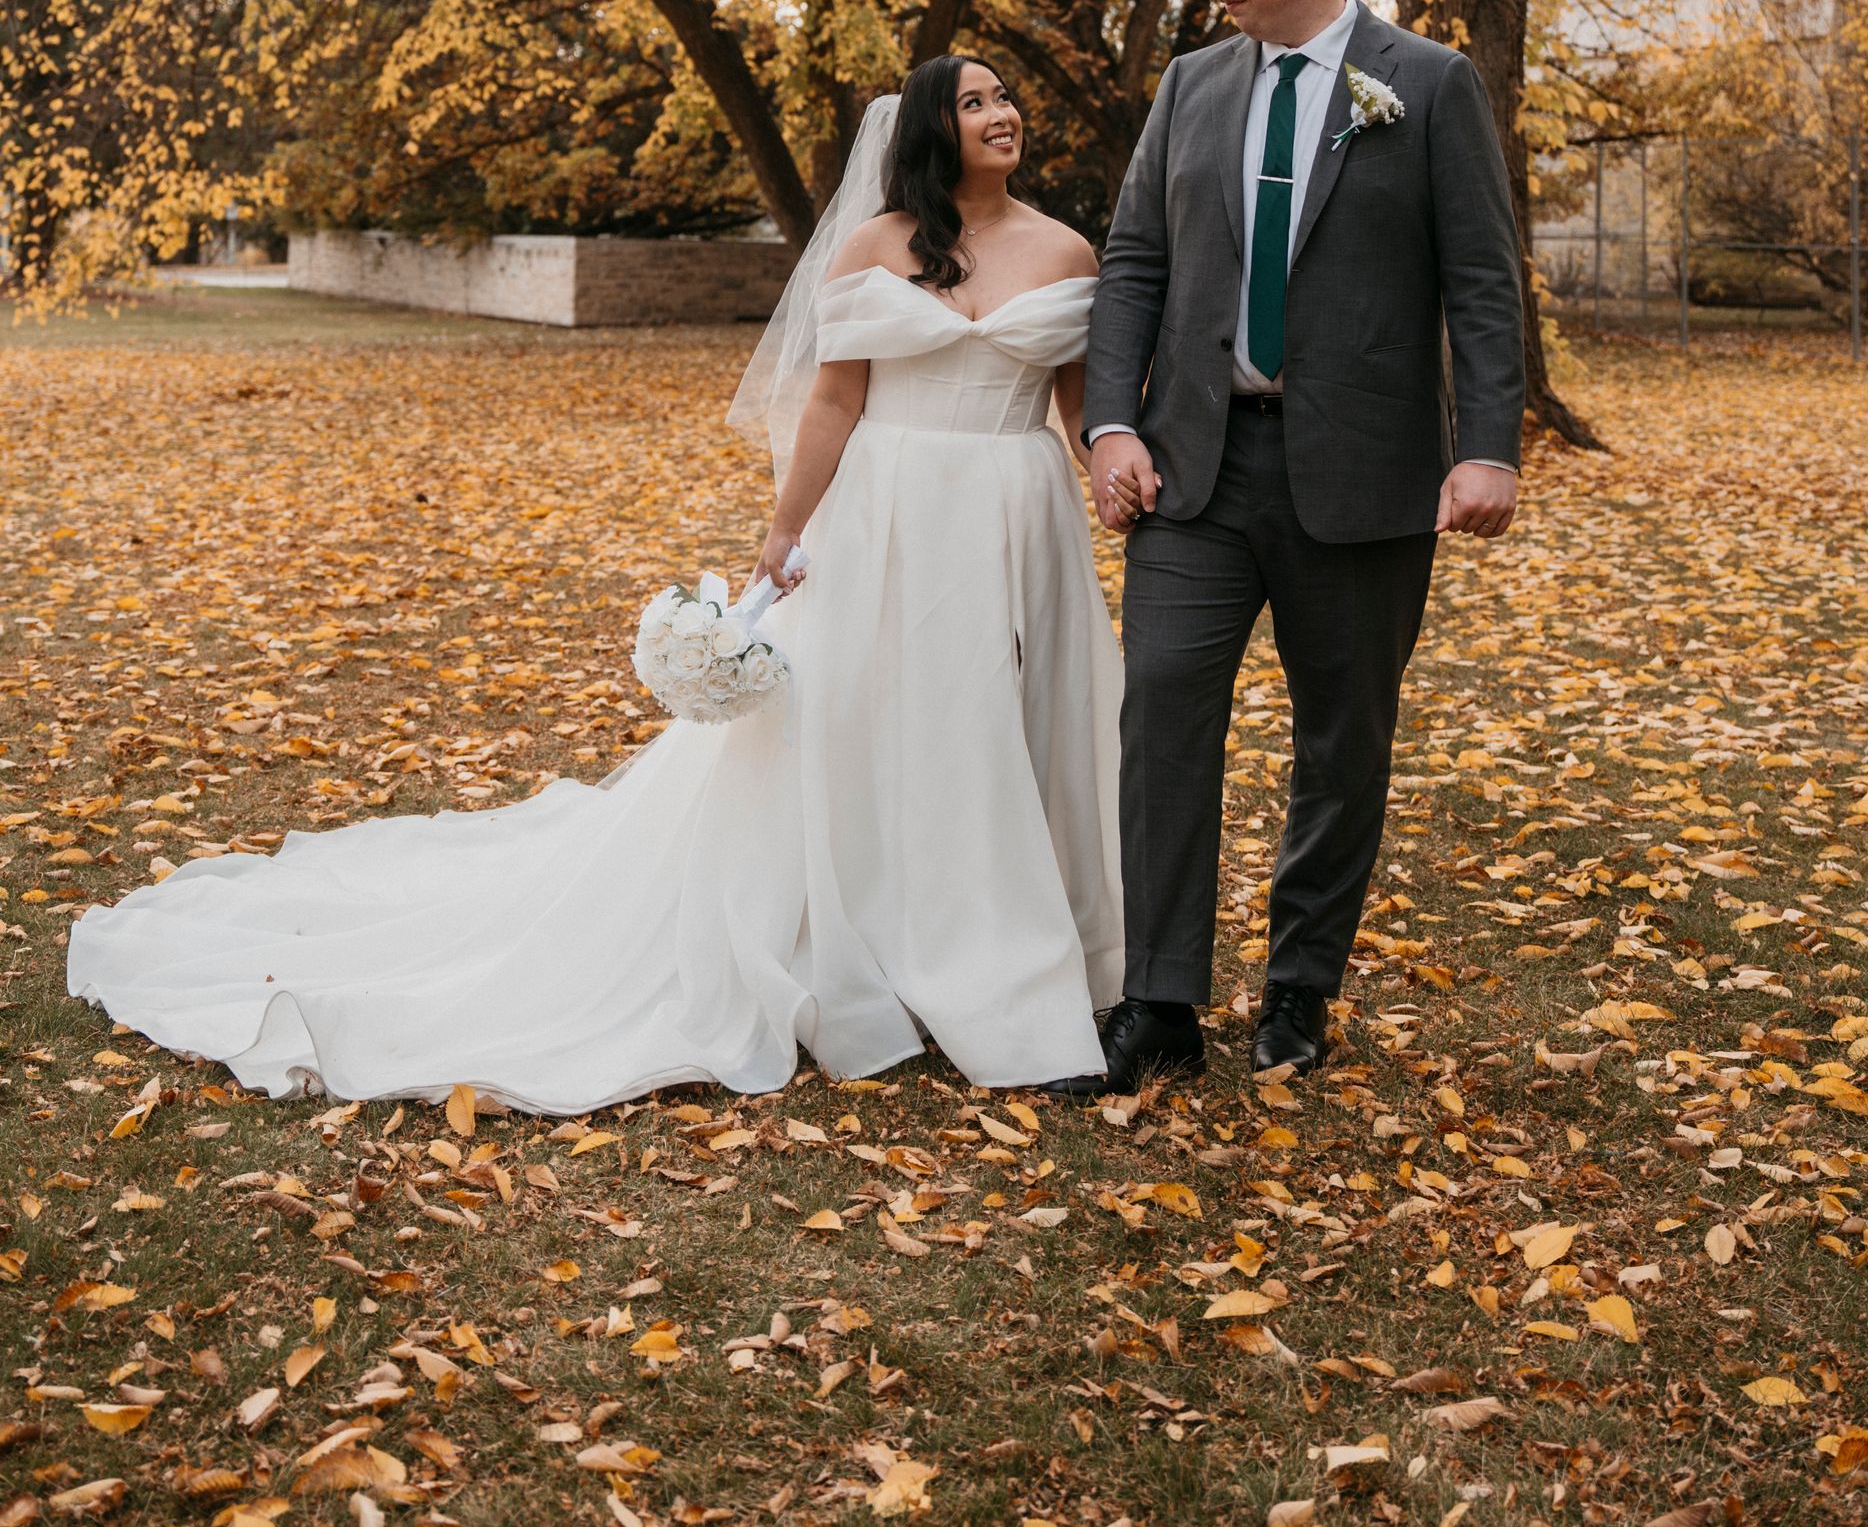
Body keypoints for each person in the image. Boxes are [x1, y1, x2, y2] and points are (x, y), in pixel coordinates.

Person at [68, 58, 1123, 1108]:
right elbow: (836, 404)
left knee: (995, 720)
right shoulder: (877, 245)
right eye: (974, 101)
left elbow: (1081, 410)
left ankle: (1014, 955)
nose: (1004, 114)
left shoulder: (1066, 248)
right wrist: (784, 528)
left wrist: (1118, 470)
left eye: (1004, 97)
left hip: (1013, 517)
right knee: (874, 723)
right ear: (933, 131)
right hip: (885, 514)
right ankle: (900, 948)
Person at [1085, 0, 1526, 1090]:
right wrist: (1109, 428)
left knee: (1345, 743)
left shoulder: (1428, 85)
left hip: (1369, 477)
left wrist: (1487, 443)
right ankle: (1159, 998)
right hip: (1195, 472)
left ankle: (1299, 986)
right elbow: (1133, 261)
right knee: (1163, 713)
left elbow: (1484, 280)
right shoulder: (1189, 86)